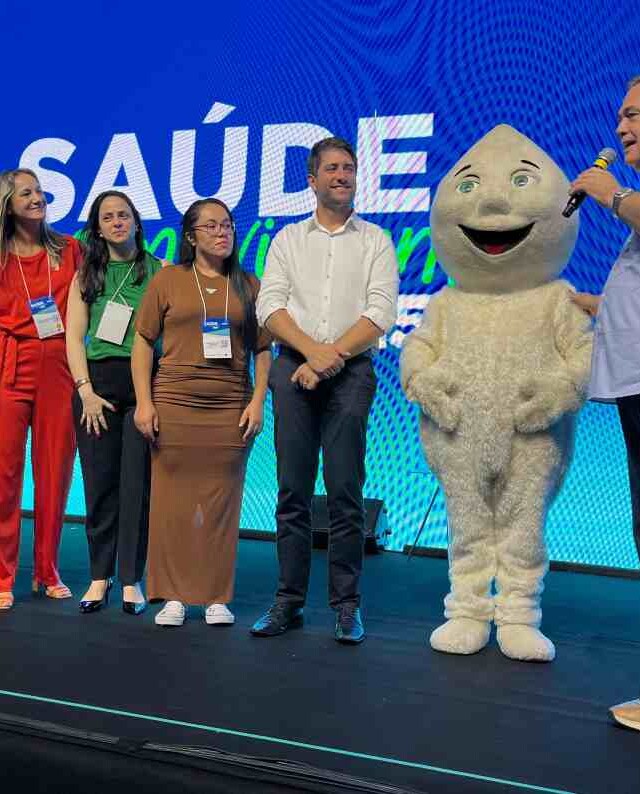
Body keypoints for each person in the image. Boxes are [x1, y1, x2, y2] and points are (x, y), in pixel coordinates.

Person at [250, 137, 398, 644]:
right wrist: (312, 353)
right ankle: (288, 601)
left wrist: (329, 358)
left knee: (344, 490)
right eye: (332, 168)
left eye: (349, 167)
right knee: (292, 491)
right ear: (312, 180)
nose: (342, 175)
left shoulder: (375, 239)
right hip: (293, 370)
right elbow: (269, 307)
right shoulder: (288, 240)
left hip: (351, 374)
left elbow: (380, 312)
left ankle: (346, 605)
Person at [132, 198, 271, 627]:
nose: (221, 232)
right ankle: (173, 595)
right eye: (210, 226)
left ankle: (215, 596)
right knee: (171, 504)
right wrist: (144, 402)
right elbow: (143, 342)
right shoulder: (169, 279)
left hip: (230, 406)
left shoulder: (249, 285)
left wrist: (258, 401)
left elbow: (263, 349)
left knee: (220, 504)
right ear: (191, 237)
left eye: (226, 224)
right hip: (173, 402)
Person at [570, 76, 640, 730]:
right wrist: (591, 303)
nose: (621, 128)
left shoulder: (627, 199)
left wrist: (610, 193)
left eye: (635, 115)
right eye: (620, 116)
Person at [66, 191, 163, 615]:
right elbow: (74, 337)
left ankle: (131, 578)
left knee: (138, 487)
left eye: (124, 215)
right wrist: (84, 390)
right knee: (100, 483)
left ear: (137, 222)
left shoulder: (159, 270)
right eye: (108, 217)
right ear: (98, 228)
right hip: (96, 388)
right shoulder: (86, 275)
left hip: (144, 385)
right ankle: (99, 576)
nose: (117, 222)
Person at [0, 168, 83, 610]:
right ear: (7, 205)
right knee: (4, 477)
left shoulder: (69, 249)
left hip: (58, 366)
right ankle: (2, 575)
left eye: (39, 191)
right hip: (8, 366)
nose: (37, 198)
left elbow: (112, 275)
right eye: (26, 193)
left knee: (54, 473)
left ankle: (47, 571)